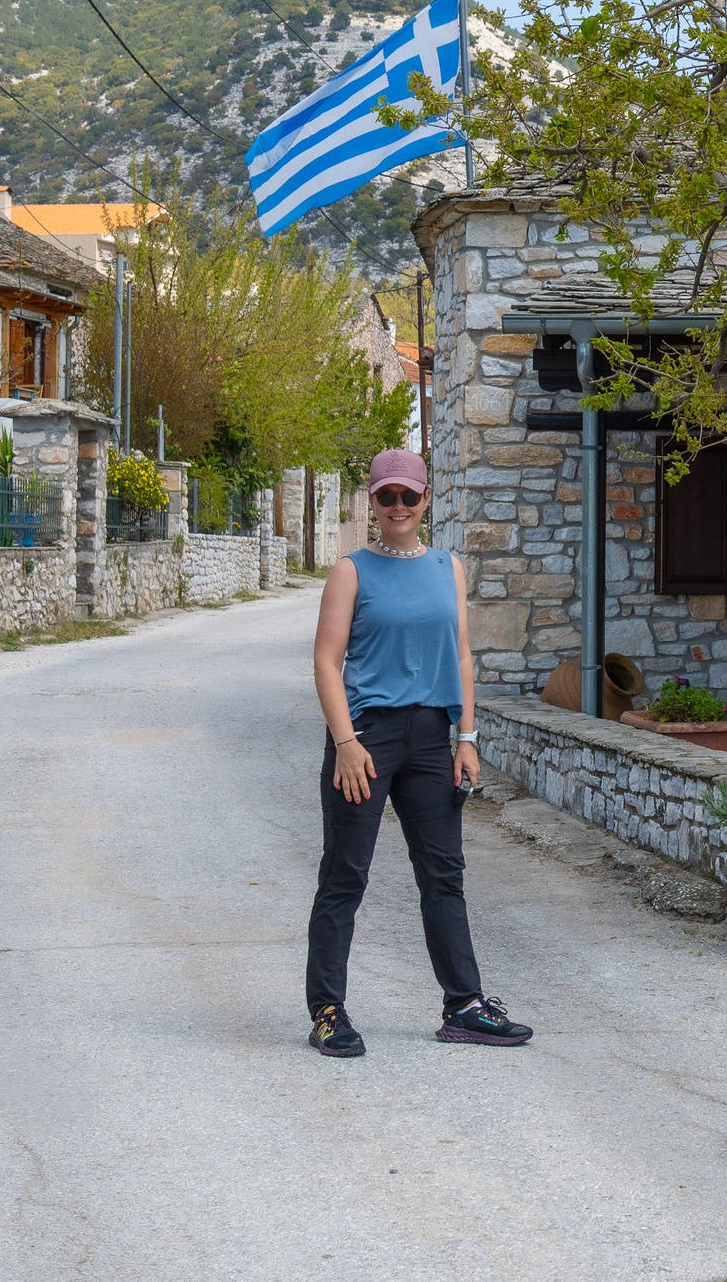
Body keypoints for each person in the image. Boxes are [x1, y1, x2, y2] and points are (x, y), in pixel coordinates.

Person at [304, 448, 531, 1057]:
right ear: (372, 500)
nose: (399, 507)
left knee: (443, 876)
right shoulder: (351, 572)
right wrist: (346, 742)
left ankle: (464, 1006)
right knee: (345, 875)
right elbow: (327, 662)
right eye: (387, 496)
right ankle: (327, 1011)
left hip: (434, 738)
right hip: (367, 740)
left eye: (410, 496)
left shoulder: (447, 568)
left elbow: (460, 656)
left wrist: (466, 737)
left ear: (426, 498)